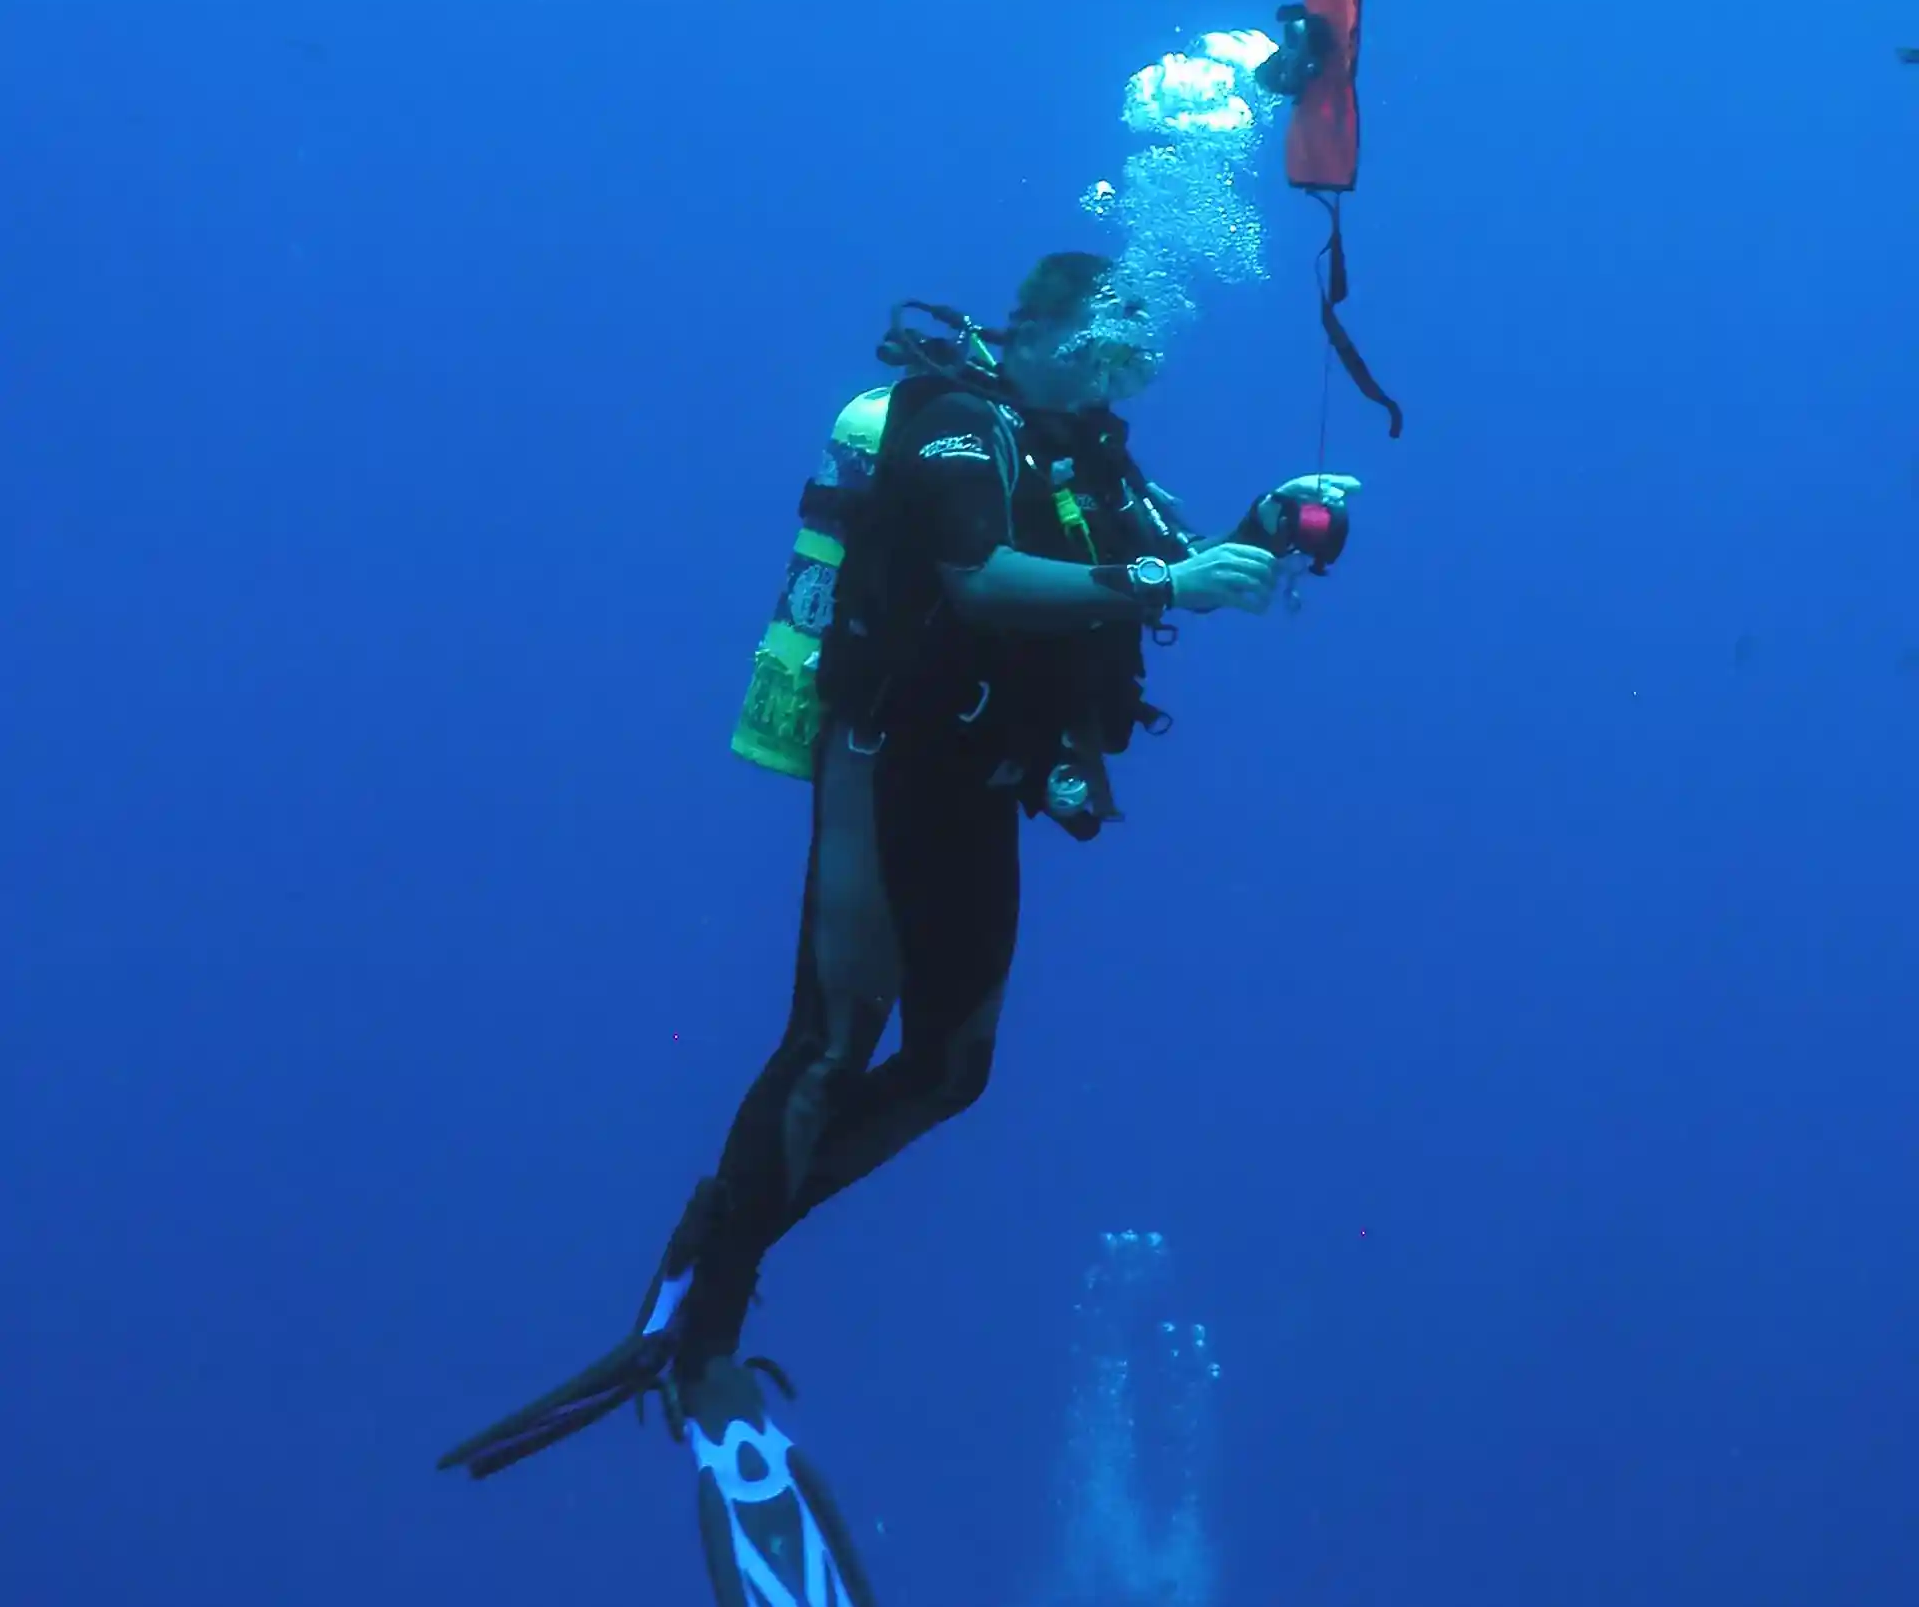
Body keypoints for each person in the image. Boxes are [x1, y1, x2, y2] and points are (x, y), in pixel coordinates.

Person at [441, 250, 1358, 1465]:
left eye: (1133, 354)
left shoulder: (1084, 448)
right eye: (1099, 342)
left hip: (979, 787)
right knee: (831, 1046)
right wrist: (1166, 577)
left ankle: (722, 1240)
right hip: (887, 769)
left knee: (952, 1069)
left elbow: (1168, 557)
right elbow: (976, 578)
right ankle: (699, 1340)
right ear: (1033, 328)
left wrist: (1259, 530)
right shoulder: (954, 421)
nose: (1116, 370)